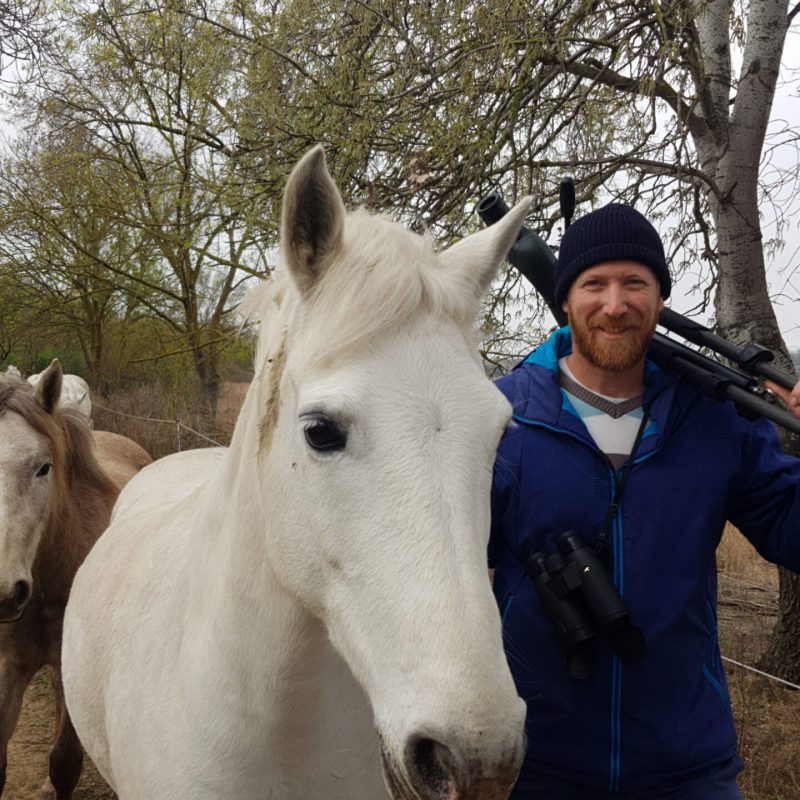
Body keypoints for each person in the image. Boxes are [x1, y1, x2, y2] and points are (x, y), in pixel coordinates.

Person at [489, 202, 800, 799]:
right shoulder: (501, 421)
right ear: (564, 300)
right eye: (594, 284)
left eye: (635, 283)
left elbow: (791, 531)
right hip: (531, 766)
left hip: (686, 767)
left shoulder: (716, 417)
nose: (614, 304)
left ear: (659, 299)